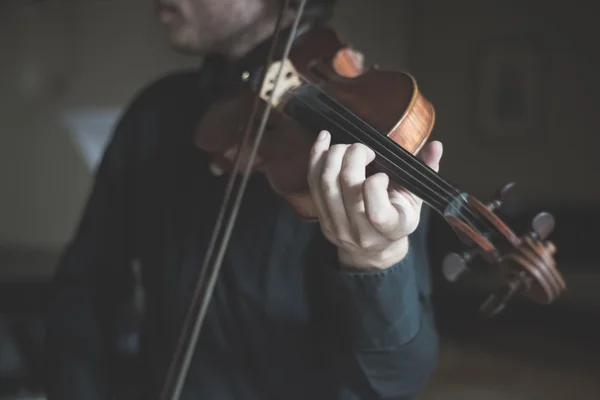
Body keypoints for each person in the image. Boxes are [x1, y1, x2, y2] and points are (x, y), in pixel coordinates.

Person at [43, 0, 444, 399]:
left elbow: (395, 379)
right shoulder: (155, 114)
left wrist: (377, 261)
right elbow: (85, 291)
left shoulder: (365, 125)